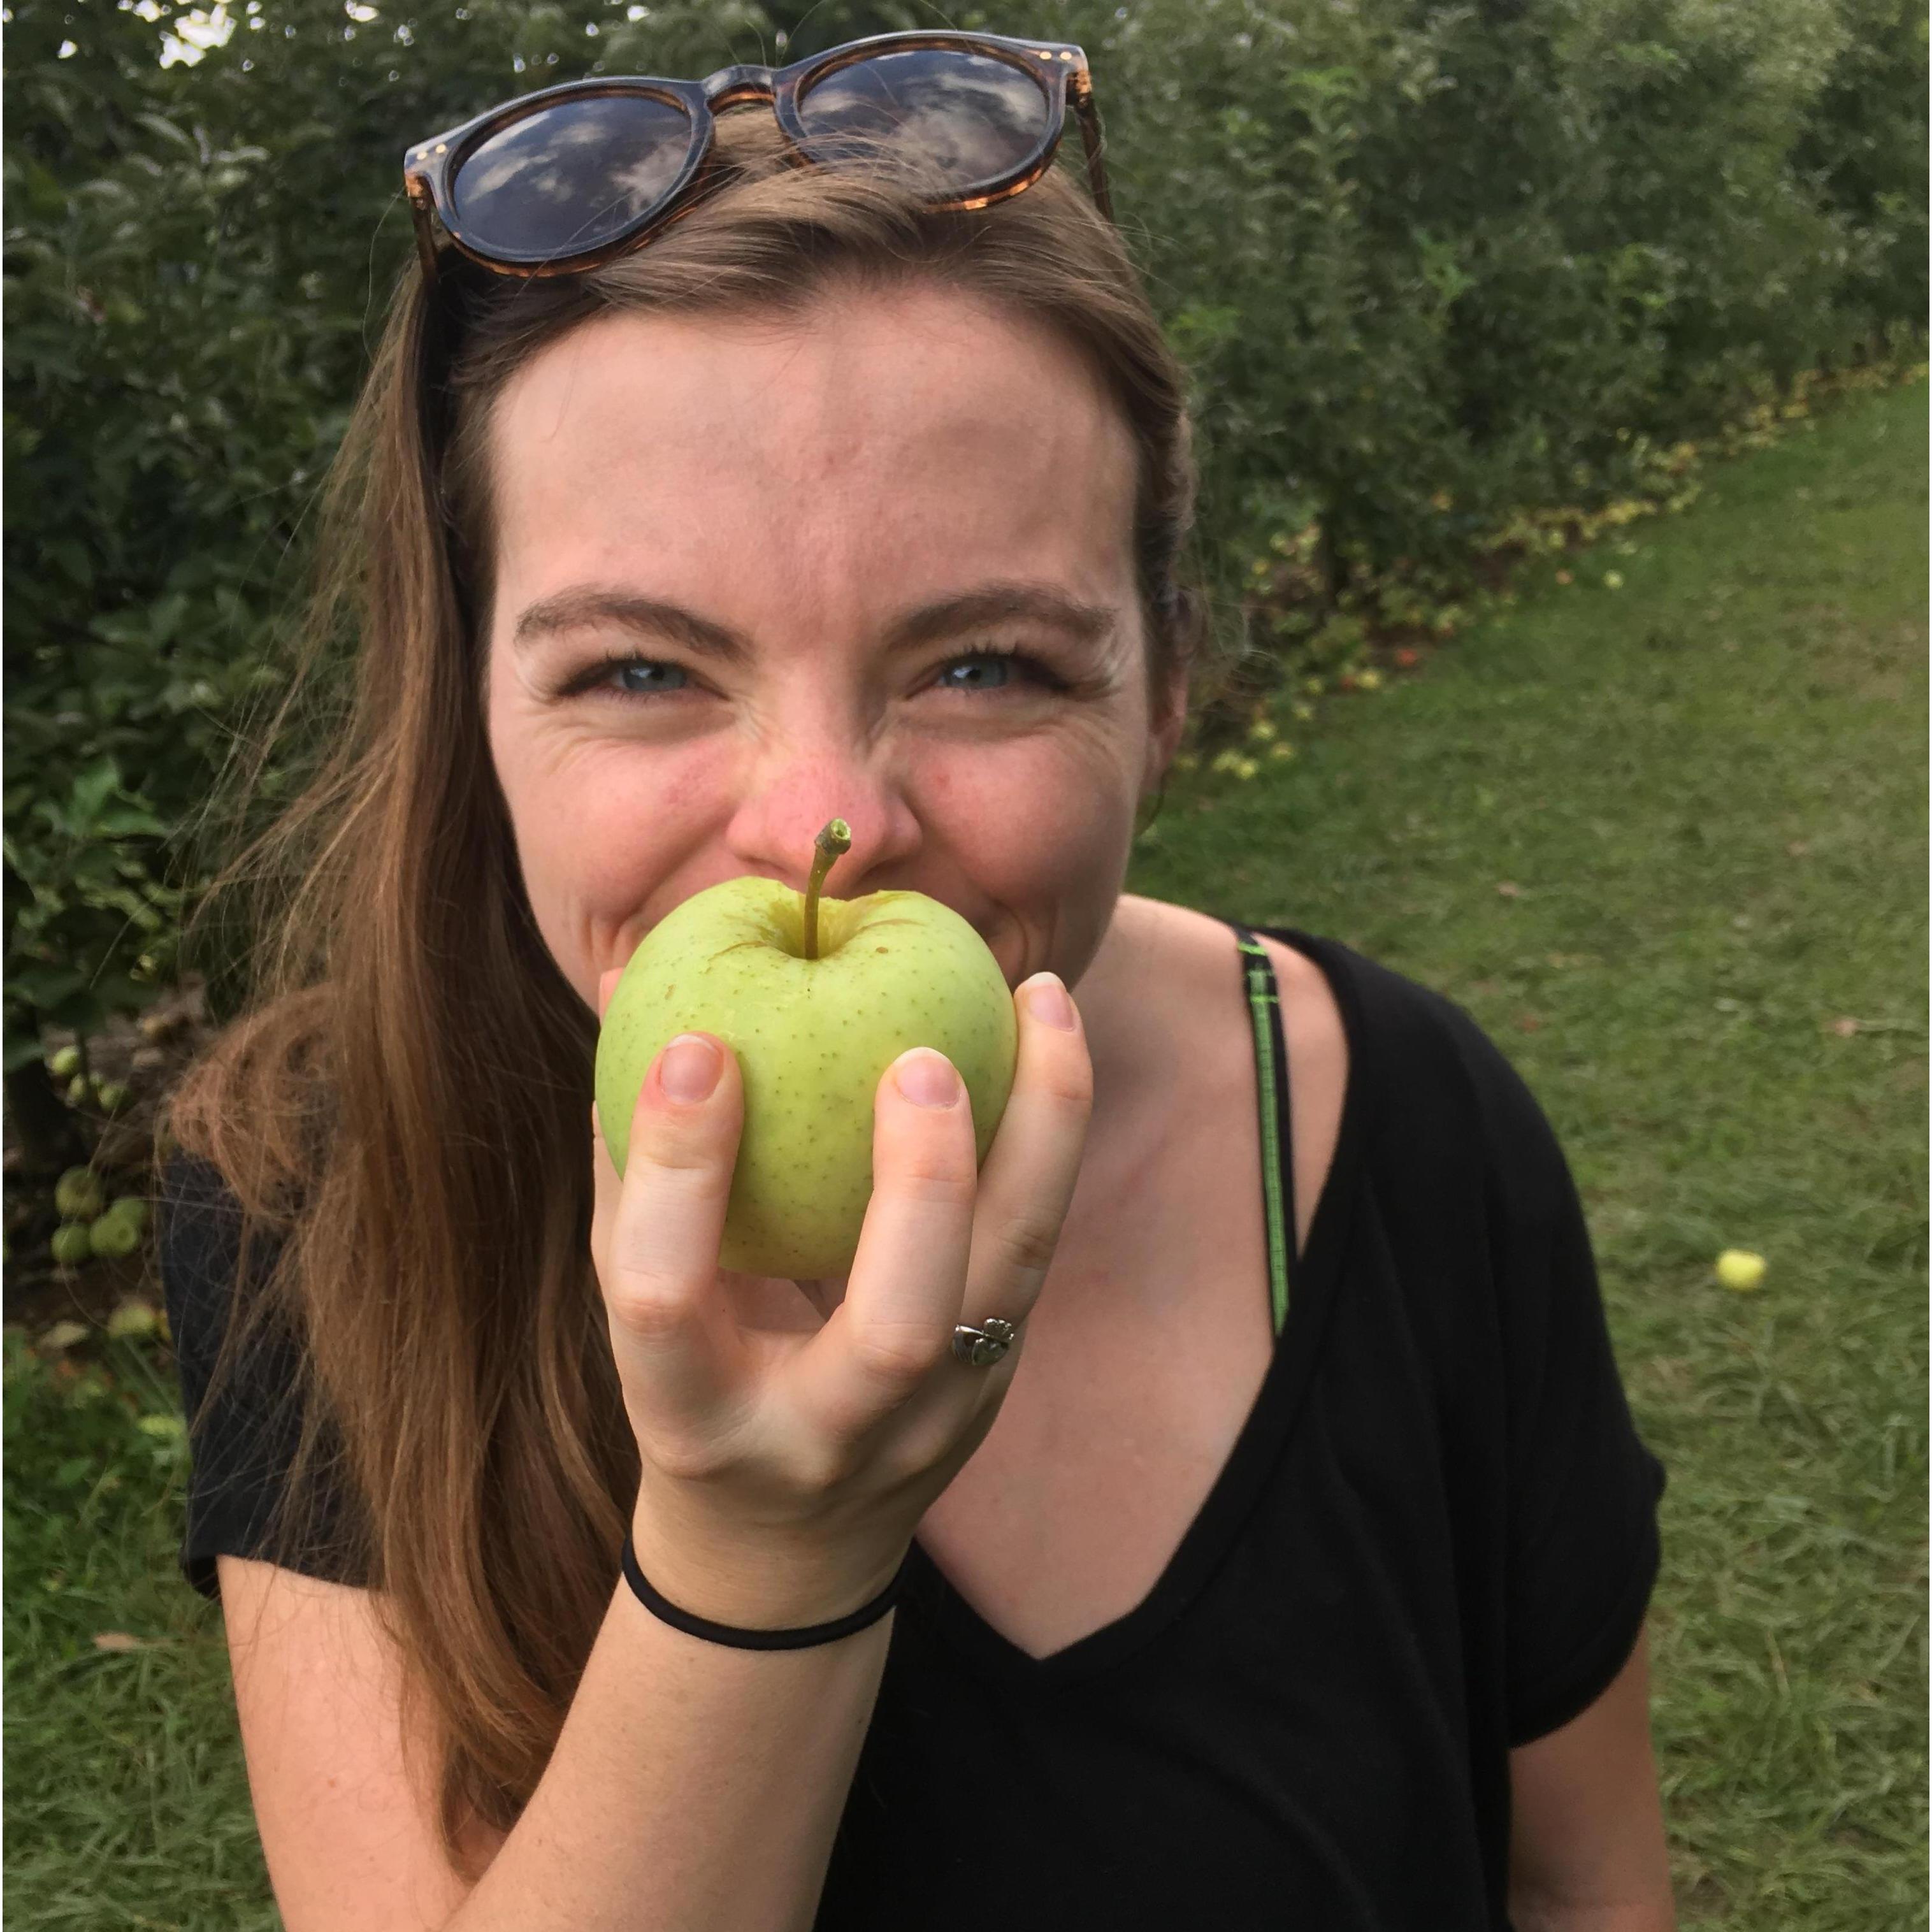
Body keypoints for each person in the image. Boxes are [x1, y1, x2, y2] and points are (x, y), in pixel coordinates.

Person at [158, 31, 1673, 1931]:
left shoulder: (1414, 1124)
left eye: (985, 668)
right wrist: (759, 1554)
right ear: (475, 721)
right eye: (638, 671)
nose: (823, 829)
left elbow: (1588, 1895)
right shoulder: (328, 1196)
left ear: (1168, 699)